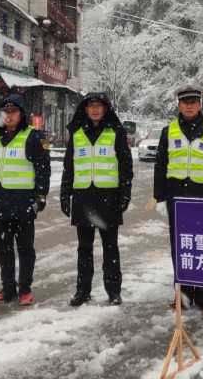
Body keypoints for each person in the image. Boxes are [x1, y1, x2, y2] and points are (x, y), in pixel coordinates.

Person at [153, 82, 203, 314]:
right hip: (177, 200)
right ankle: (184, 297)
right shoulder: (169, 131)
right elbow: (160, 165)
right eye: (185, 102)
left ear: (200, 104)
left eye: (193, 102)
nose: (189, 106)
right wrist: (159, 198)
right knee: (181, 249)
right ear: (178, 104)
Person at [0, 94, 50, 306]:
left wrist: (41, 196)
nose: (9, 116)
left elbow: (43, 169)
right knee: (3, 247)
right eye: (5, 112)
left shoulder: (33, 136)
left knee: (25, 248)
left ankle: (25, 288)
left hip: (23, 200)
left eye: (13, 111)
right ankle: (8, 287)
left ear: (21, 114)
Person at [59, 92, 134, 306]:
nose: (94, 109)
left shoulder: (115, 131)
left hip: (108, 196)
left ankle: (113, 291)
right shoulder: (77, 133)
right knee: (84, 248)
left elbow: (125, 166)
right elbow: (69, 166)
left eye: (98, 106)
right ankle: (83, 291)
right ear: (85, 109)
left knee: (111, 247)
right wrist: (65, 194)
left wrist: (125, 193)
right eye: (90, 105)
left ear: (105, 109)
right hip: (83, 196)